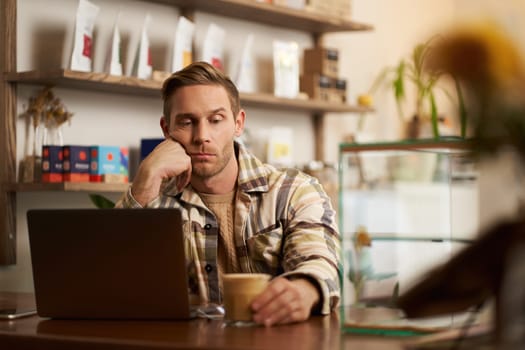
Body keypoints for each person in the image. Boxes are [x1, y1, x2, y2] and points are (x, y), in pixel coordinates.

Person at [116, 61, 340, 326]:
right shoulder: (151, 200)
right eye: (187, 122)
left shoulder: (293, 192)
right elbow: (107, 281)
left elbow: (318, 262)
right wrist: (144, 180)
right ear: (167, 130)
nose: (202, 136)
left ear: (238, 123)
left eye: (216, 120)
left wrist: (305, 290)